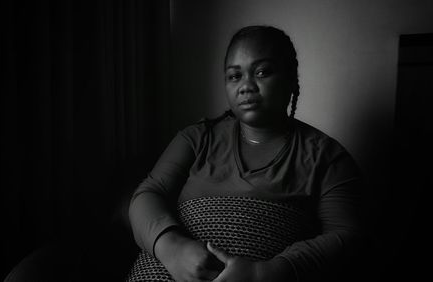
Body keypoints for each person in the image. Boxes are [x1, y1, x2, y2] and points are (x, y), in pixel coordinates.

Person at [127, 25, 367, 282]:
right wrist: (172, 247)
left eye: (262, 72)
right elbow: (147, 194)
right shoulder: (196, 138)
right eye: (234, 76)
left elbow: (347, 235)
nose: (246, 86)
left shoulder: (327, 156)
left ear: (291, 79)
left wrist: (267, 272)